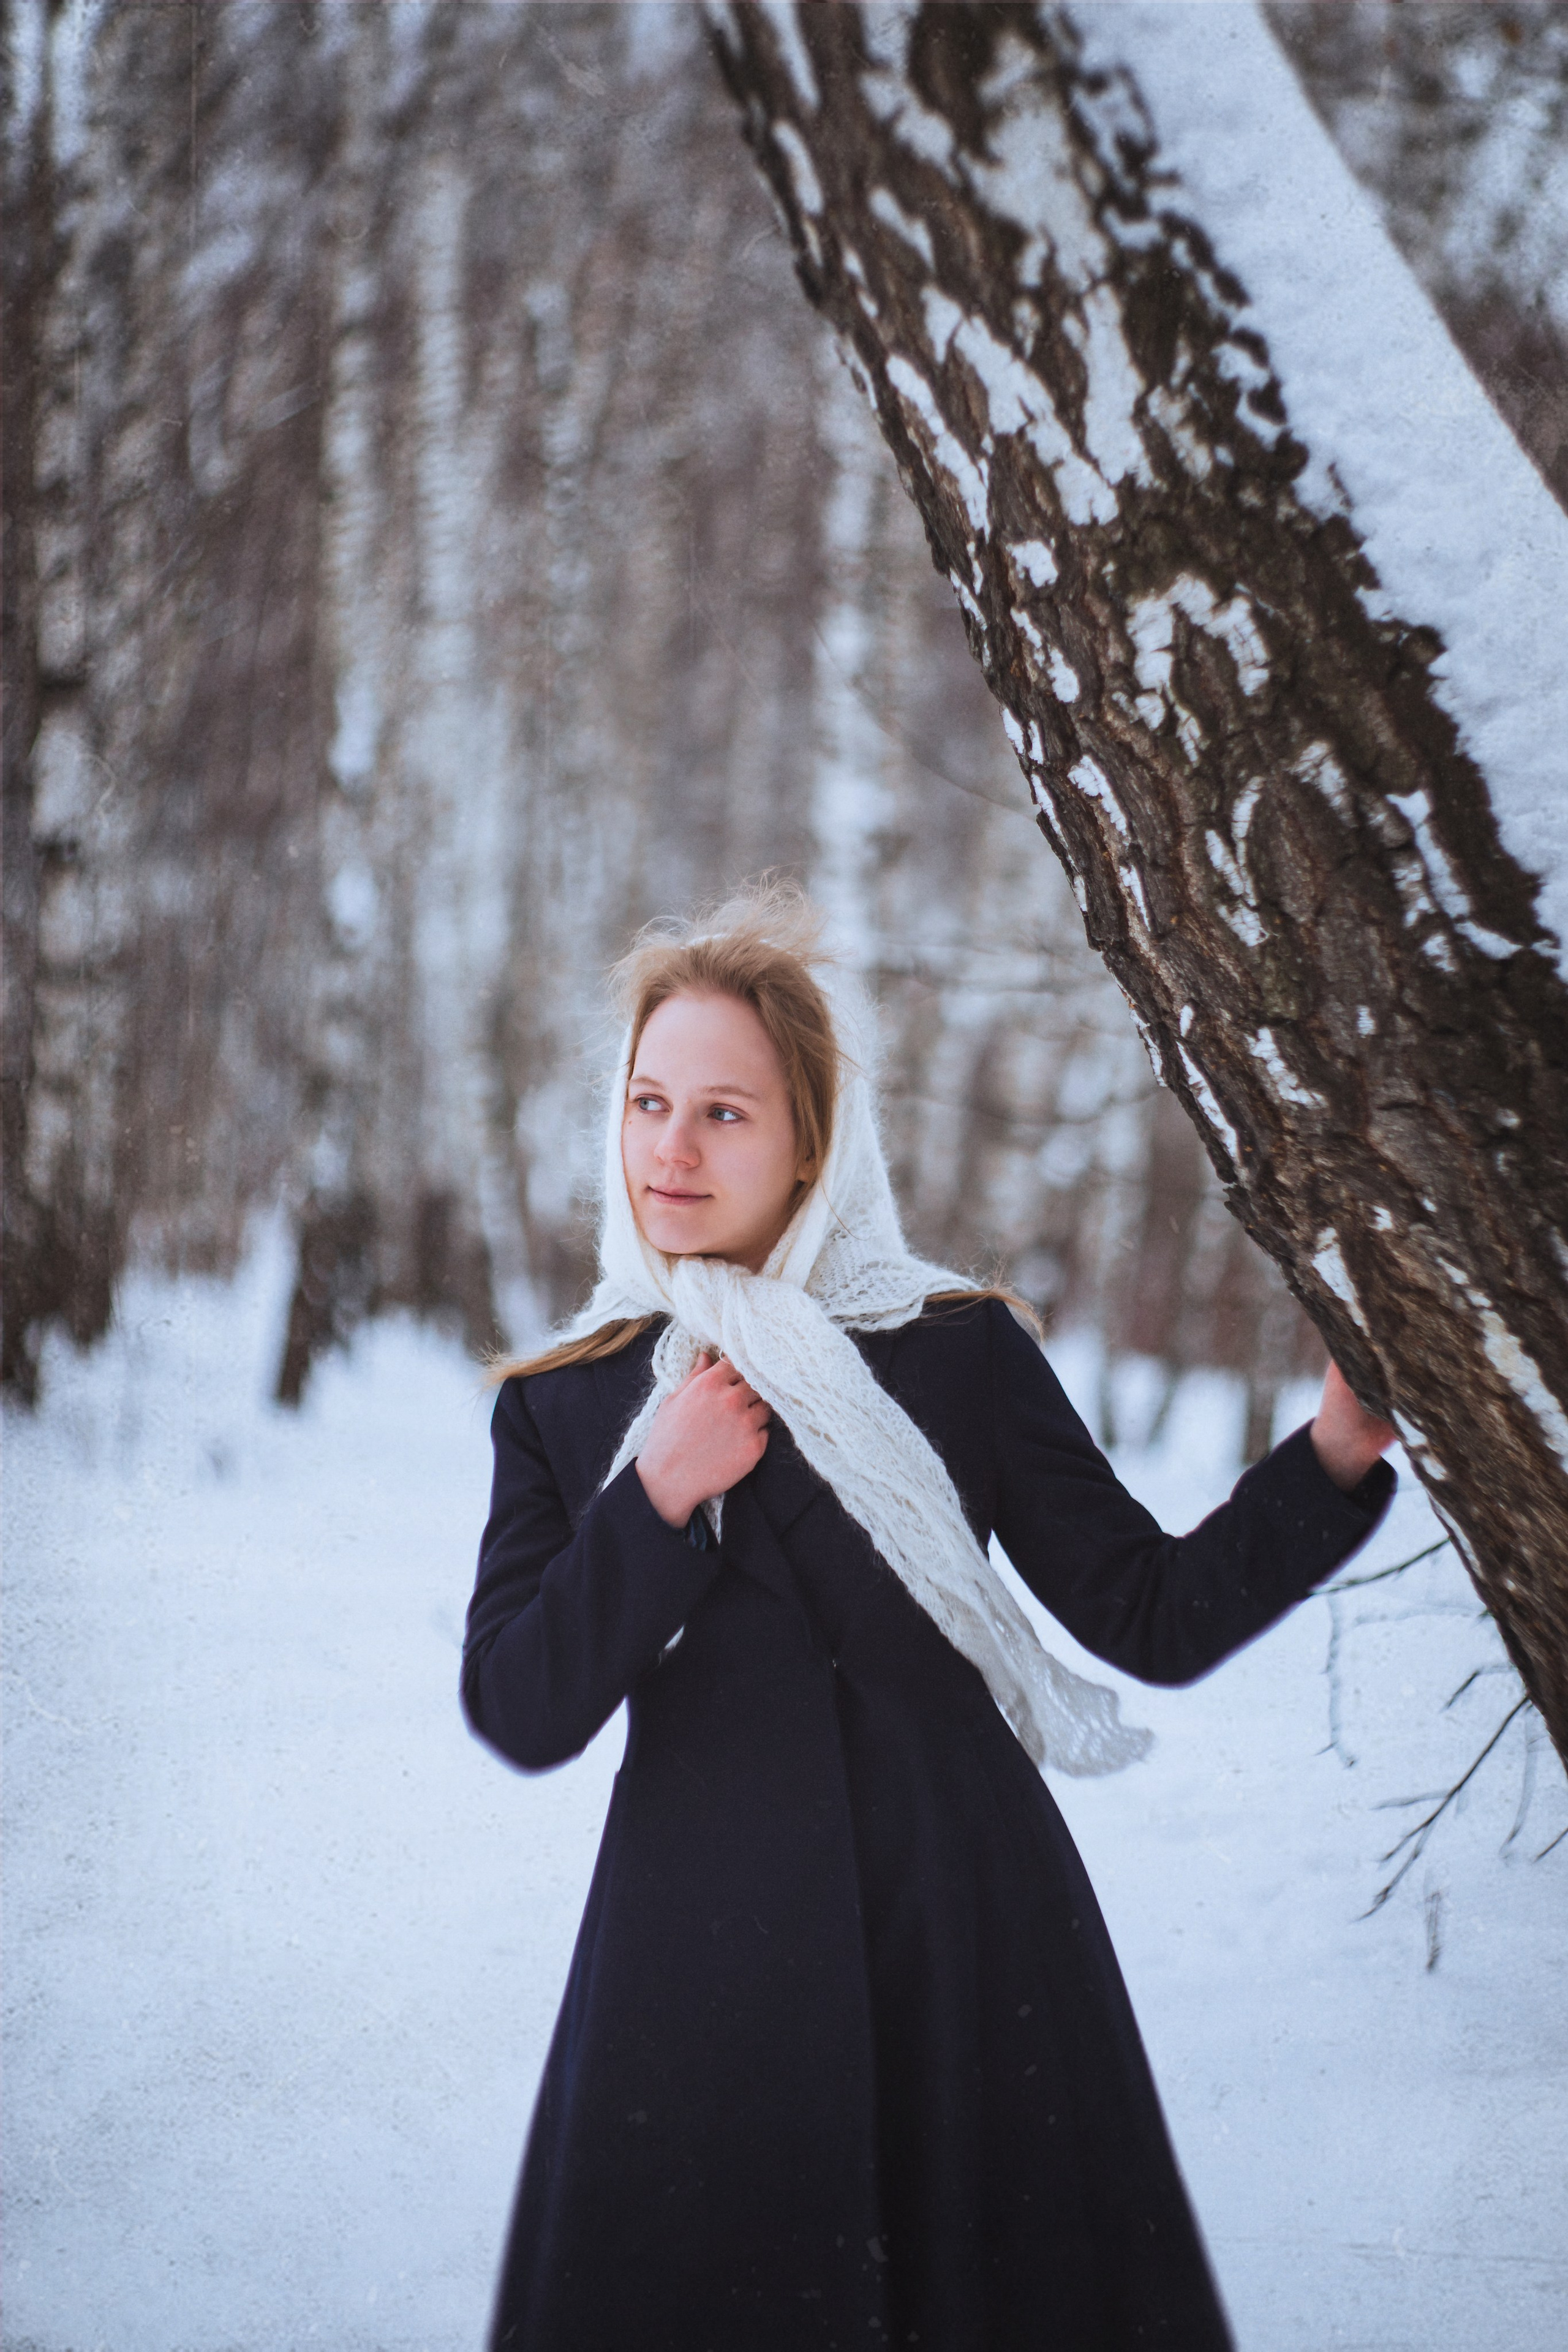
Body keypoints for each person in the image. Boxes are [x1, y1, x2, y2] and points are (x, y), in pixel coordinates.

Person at [461, 883, 1395, 2352]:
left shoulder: (953, 1349)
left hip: (971, 1953)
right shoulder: (570, 1401)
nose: (670, 1149)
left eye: (723, 1113)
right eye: (648, 1103)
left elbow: (1142, 1612)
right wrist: (650, 1500)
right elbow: (518, 1704)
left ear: (812, 1145)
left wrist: (1330, 1458)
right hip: (695, 1973)